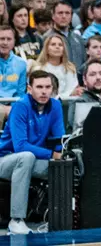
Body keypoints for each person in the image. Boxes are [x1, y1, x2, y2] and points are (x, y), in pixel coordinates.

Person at [0, 70, 63, 234]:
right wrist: (51, 155)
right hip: (6, 159)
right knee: (26, 157)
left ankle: (59, 217)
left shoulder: (56, 106)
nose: (44, 91)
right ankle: (16, 220)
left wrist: (61, 154)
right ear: (29, 89)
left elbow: (59, 140)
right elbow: (20, 146)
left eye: (48, 87)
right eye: (39, 87)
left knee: (65, 165)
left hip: (33, 161)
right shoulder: (20, 107)